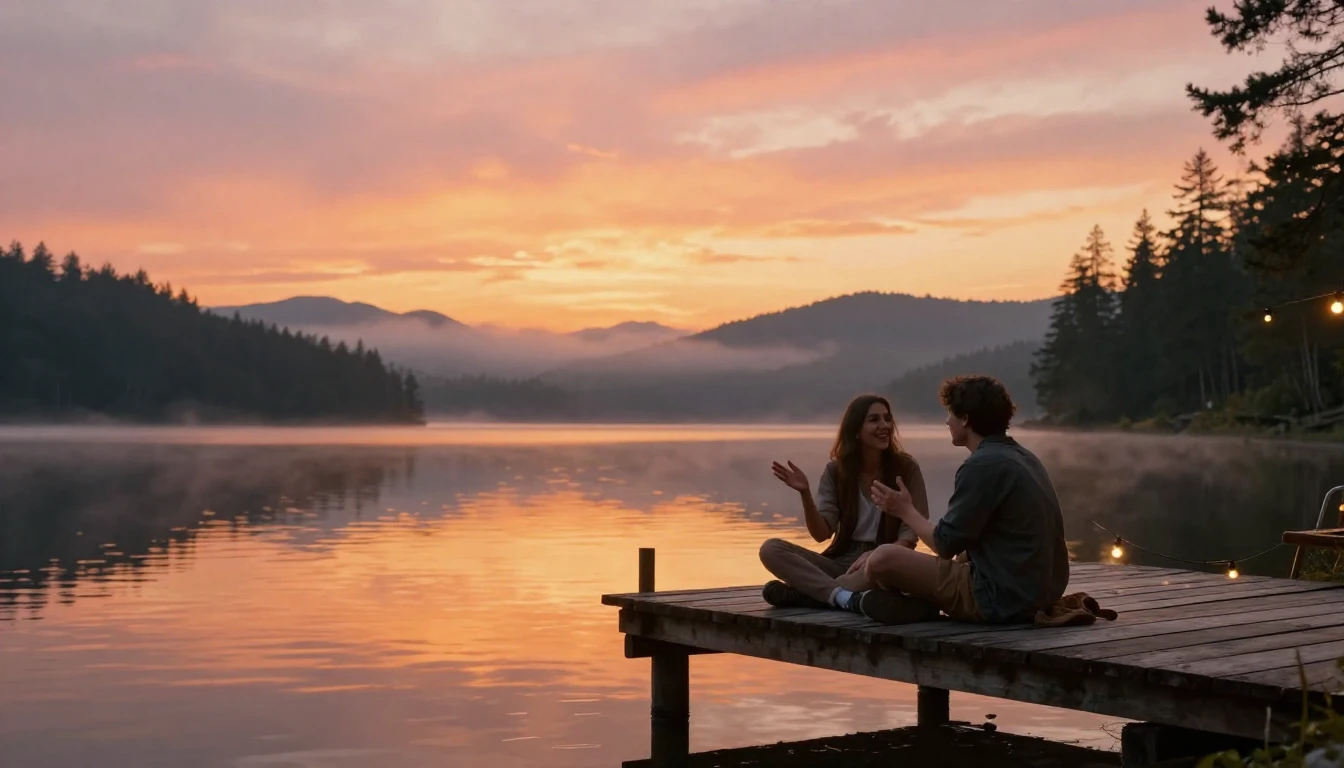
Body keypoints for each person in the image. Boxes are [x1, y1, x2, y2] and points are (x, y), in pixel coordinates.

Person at [840, 375, 1069, 624]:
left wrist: (905, 510)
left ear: (966, 419)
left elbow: (944, 544)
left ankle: (835, 593)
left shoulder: (982, 465)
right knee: (953, 559)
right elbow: (967, 543)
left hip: (999, 599)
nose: (947, 421)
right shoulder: (1024, 457)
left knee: (883, 558)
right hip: (1040, 594)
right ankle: (906, 604)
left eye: (950, 413)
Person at [758, 394, 936, 623]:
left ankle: (812, 595)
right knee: (770, 549)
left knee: (878, 568)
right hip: (842, 562)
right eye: (874, 419)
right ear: (856, 430)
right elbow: (821, 533)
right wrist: (805, 493)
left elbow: (909, 536)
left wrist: (878, 554)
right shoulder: (836, 471)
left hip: (885, 560)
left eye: (887, 418)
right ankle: (843, 596)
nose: (884, 425)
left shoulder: (906, 468)